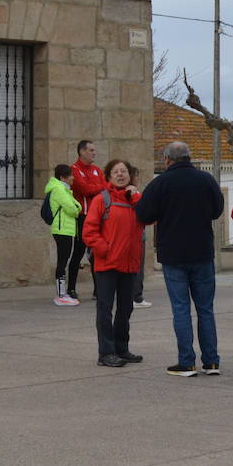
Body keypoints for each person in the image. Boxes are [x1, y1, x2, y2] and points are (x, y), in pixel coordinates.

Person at [134, 140, 224, 377]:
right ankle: (211, 361)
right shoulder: (206, 180)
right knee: (205, 308)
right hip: (202, 252)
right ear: (189, 156)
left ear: (167, 159)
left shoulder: (160, 183)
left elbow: (142, 213)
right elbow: (217, 210)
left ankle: (186, 362)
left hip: (173, 254)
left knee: (181, 308)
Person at [81, 159, 145, 367]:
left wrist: (135, 196)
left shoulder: (135, 199)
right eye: (116, 172)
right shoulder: (102, 199)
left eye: (124, 171)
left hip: (129, 264)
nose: (120, 174)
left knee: (125, 309)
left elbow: (149, 218)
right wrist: (104, 250)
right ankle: (106, 353)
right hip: (107, 264)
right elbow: (89, 231)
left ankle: (121, 349)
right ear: (108, 176)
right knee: (105, 309)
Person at [68, 140, 107, 300]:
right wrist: (97, 188)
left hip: (98, 216)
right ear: (82, 151)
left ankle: (98, 290)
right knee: (77, 253)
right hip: (82, 217)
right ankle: (71, 289)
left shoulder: (97, 170)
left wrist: (96, 188)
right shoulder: (74, 169)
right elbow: (84, 189)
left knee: (96, 254)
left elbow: (105, 187)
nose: (94, 153)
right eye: (91, 150)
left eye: (94, 150)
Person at [44, 163, 82, 305]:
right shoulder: (59, 190)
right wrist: (77, 208)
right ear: (62, 177)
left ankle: (62, 293)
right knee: (62, 261)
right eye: (71, 175)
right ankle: (61, 295)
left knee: (63, 260)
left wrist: (77, 207)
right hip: (62, 230)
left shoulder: (64, 190)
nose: (73, 177)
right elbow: (73, 209)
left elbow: (76, 206)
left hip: (66, 230)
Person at [127, 162, 152, 309]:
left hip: (136, 235)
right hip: (136, 235)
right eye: (136, 175)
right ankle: (136, 296)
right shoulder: (134, 194)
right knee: (137, 268)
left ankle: (134, 295)